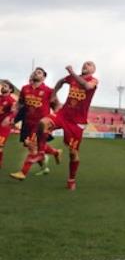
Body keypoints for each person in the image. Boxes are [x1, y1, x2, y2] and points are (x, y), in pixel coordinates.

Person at [36, 62, 99, 190]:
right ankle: (41, 152)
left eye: (89, 65)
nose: (86, 65)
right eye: (85, 64)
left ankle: (71, 179)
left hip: (77, 122)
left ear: (93, 70)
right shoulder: (73, 78)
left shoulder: (93, 80)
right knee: (43, 123)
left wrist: (72, 72)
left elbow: (86, 86)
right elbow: (61, 81)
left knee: (73, 153)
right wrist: (54, 94)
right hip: (63, 114)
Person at [10, 68, 60, 181]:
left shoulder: (48, 91)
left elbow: (57, 106)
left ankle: (23, 173)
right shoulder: (25, 89)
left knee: (32, 145)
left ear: (44, 77)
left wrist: (53, 119)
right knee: (30, 145)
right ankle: (55, 152)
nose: (35, 73)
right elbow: (20, 103)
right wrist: (14, 110)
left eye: (39, 72)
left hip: (40, 124)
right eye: (35, 72)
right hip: (27, 123)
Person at [0, 80, 18, 169]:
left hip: (4, 127)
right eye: (2, 85)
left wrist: (9, 118)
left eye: (5, 86)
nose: (3, 87)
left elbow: (15, 112)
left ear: (10, 90)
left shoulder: (11, 101)